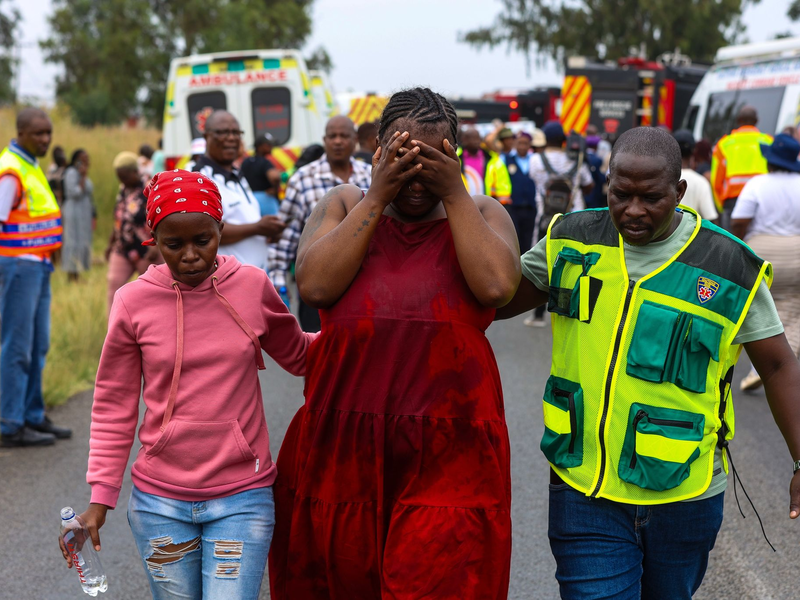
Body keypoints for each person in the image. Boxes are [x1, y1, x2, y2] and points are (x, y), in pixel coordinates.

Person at [497, 127, 800, 600]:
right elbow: (492, 300)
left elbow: (779, 367)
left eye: (651, 198)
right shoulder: (570, 239)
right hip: (583, 488)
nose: (633, 210)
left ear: (679, 192)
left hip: (685, 495)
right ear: (608, 183)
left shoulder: (727, 266)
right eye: (621, 194)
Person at [268, 86, 520, 599]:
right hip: (345, 436)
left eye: (433, 158)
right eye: (403, 155)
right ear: (377, 151)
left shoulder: (481, 211)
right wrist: (378, 195)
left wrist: (454, 195)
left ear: (453, 157)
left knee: (438, 577)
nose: (417, 173)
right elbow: (315, 286)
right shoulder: (343, 203)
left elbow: (496, 287)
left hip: (452, 445)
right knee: (342, 578)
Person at [59, 169, 315, 599]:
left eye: (203, 240)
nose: (191, 255)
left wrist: (364, 326)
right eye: (174, 245)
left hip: (243, 496)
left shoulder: (251, 286)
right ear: (154, 240)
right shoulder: (132, 301)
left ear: (220, 230)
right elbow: (114, 404)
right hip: (159, 504)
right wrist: (100, 500)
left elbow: (303, 355)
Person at [0, 107, 70, 447]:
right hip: (17, 267)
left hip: (38, 265)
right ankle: (9, 423)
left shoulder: (30, 165)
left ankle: (32, 414)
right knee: (16, 346)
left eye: (48, 133)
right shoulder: (11, 170)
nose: (45, 139)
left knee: (37, 343)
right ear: (21, 132)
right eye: (38, 133)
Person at [268, 115, 371, 332]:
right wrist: (278, 281)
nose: (337, 141)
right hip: (318, 281)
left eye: (344, 136)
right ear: (324, 140)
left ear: (355, 140)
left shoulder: (370, 176)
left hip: (363, 283)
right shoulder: (303, 178)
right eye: (332, 136)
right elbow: (288, 234)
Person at [731, 133, 800, 391]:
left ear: (770, 160)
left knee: (761, 311)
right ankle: (782, 357)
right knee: (794, 309)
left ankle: (759, 368)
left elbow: (739, 220)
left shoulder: (757, 184)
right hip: (796, 252)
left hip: (761, 254)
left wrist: (736, 249)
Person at [193, 110, 285, 271]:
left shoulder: (236, 174)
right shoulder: (198, 177)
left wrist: (268, 231)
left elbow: (243, 220)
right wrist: (257, 228)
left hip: (257, 277)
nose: (231, 138)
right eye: (222, 132)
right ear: (206, 137)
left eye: (236, 133)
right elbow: (203, 231)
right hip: (228, 283)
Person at [525, 120, 593, 327]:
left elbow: (534, 180)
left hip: (546, 218)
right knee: (576, 262)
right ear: (564, 139)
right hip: (574, 217)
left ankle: (538, 315)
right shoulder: (576, 159)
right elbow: (588, 185)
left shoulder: (536, 160)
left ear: (545, 139)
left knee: (544, 262)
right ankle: (573, 311)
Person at [105, 151, 162, 315]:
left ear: (134, 172)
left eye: (124, 176)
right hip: (123, 246)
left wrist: (156, 244)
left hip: (145, 249)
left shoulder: (150, 187)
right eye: (119, 177)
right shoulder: (123, 189)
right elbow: (119, 218)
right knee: (114, 286)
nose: (121, 181)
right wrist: (110, 244)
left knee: (151, 292)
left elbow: (161, 215)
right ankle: (114, 332)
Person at [711, 106, 773, 230]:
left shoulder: (724, 144)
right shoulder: (769, 142)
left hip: (733, 203)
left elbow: (716, 182)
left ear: (739, 120)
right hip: (762, 201)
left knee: (733, 245)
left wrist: (722, 207)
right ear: (757, 121)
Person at [62, 149, 95, 281]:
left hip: (83, 212)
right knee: (72, 240)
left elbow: (89, 190)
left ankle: (78, 272)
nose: (87, 160)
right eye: (84, 158)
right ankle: (71, 274)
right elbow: (75, 192)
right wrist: (82, 177)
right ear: (77, 160)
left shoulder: (83, 174)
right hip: (73, 211)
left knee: (81, 240)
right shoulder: (71, 173)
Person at [503, 131, 537, 254]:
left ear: (530, 145)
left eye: (525, 143)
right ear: (515, 144)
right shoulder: (506, 159)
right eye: (519, 143)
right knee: (514, 238)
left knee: (528, 240)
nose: (522, 146)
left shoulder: (534, 160)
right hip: (513, 207)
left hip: (530, 207)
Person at [674, 129, 719, 222]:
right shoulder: (700, 182)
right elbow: (711, 218)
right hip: (693, 235)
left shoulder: (663, 179)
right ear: (694, 151)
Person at [458, 126, 512, 203]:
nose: (476, 141)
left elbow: (503, 186)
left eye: (478, 138)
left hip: (487, 205)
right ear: (464, 140)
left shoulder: (493, 159)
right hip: (463, 204)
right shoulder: (456, 158)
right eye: (472, 138)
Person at [241, 134, 282, 216]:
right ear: (260, 146)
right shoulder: (265, 162)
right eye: (268, 144)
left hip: (249, 199)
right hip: (265, 199)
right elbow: (274, 177)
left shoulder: (246, 161)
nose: (271, 146)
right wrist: (275, 188)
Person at [583, 135, 607, 209]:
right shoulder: (597, 159)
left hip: (583, 195)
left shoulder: (582, 157)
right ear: (596, 146)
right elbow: (600, 178)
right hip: (594, 195)